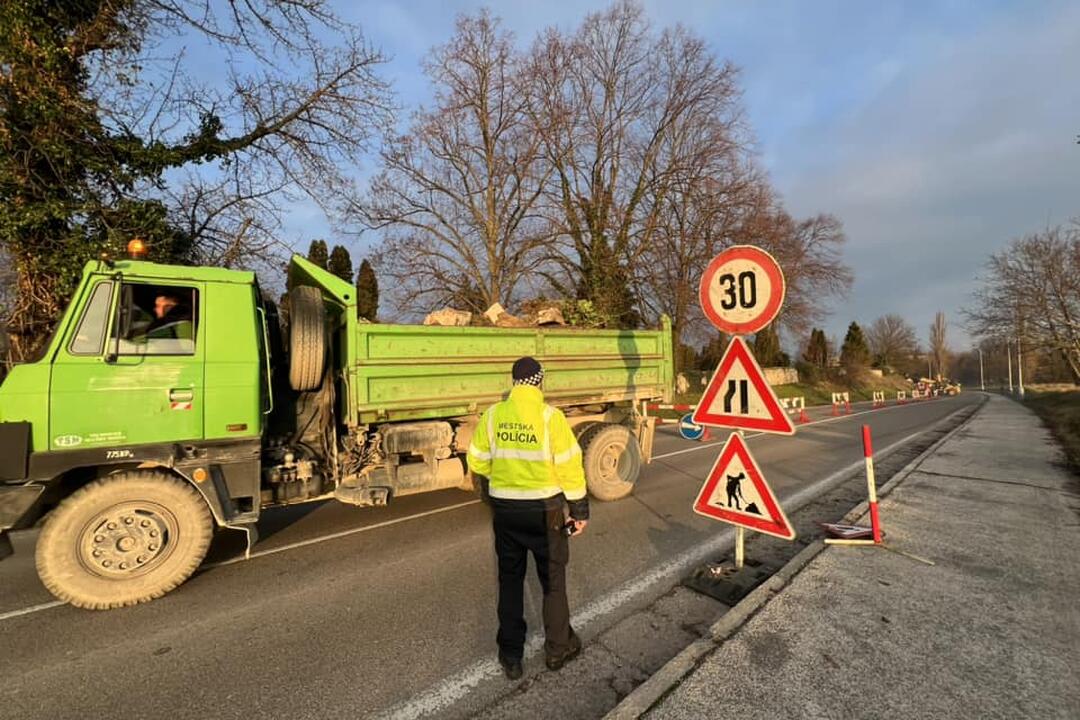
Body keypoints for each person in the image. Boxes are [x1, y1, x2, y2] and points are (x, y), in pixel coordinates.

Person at [468, 357, 589, 681]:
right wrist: (579, 511)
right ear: (540, 381)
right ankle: (558, 649)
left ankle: (511, 656)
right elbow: (569, 466)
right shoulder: (551, 418)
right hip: (545, 512)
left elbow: (477, 461)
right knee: (553, 582)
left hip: (506, 512)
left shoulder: (493, 415)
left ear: (514, 382)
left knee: (510, 582)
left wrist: (503, 478)